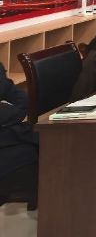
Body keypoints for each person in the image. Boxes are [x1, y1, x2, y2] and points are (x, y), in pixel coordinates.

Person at [0, 62, 38, 206]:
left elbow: (22, 100)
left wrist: (7, 113)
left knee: (50, 150)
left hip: (13, 134)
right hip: (8, 148)